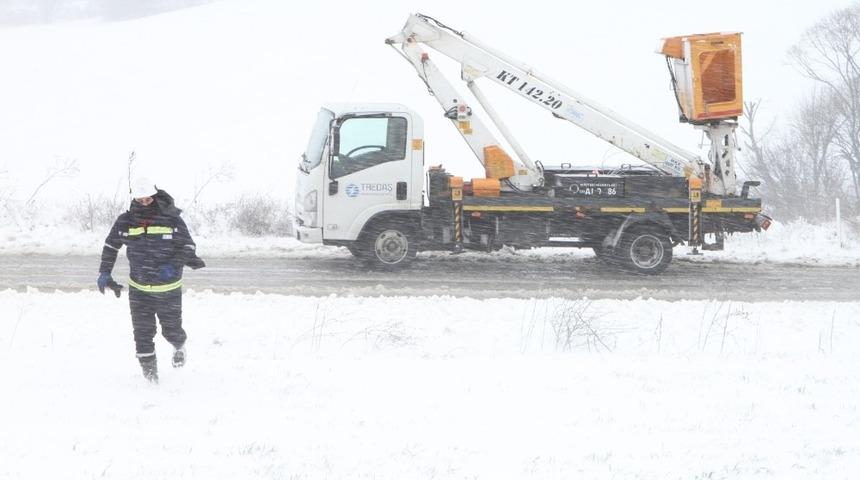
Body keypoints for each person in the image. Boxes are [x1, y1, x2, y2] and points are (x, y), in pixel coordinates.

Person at [97, 177, 205, 383]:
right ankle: (152, 381)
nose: (145, 203)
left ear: (154, 197)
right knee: (142, 336)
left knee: (171, 330)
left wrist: (173, 265)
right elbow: (111, 246)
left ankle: (179, 345)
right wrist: (105, 273)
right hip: (139, 290)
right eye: (141, 200)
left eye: (148, 199)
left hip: (169, 290)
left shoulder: (172, 219)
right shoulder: (125, 221)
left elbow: (188, 246)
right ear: (135, 199)